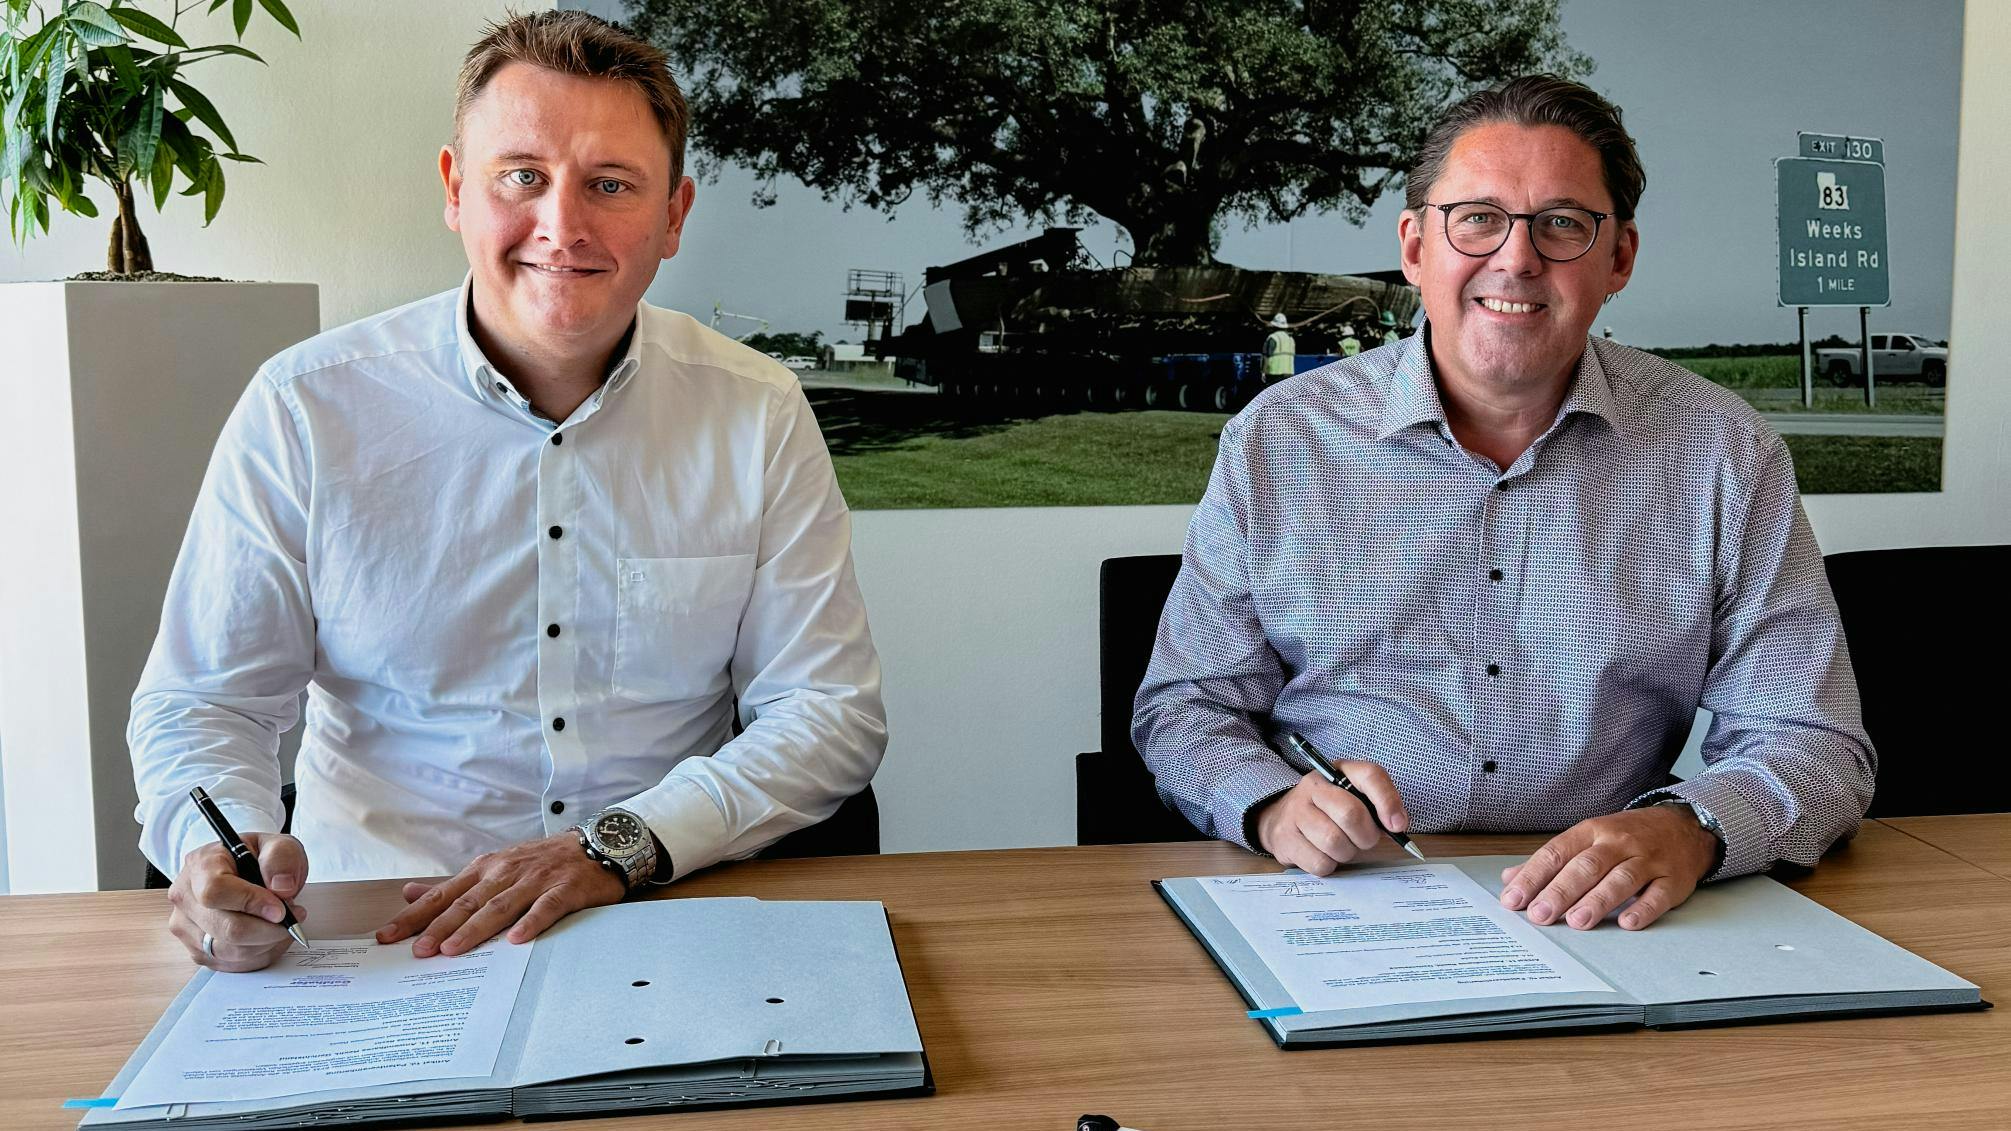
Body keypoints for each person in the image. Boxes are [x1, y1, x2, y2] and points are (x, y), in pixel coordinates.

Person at [129, 11, 886, 973]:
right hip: (367, 937)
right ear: (456, 189)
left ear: (674, 216)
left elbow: (827, 710)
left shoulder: (758, 411)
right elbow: (206, 700)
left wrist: (614, 849)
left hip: (662, 916)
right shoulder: (305, 407)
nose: (561, 226)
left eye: (610, 185)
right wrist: (218, 852)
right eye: (521, 176)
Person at [1134, 74, 1871, 934]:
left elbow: (1814, 743)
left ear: (1618, 259)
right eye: (1477, 217)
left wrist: (1690, 828)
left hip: (1608, 915)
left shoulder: (1724, 454)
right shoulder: (1278, 441)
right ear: (1415, 248)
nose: (1516, 259)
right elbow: (1186, 708)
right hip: (1336, 904)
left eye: (1562, 223)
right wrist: (1266, 804)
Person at [1262, 312, 1296, 382]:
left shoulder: (1273, 338)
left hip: (1274, 374)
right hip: (1289, 373)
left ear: (1274, 326)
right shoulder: (1291, 339)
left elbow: (1266, 356)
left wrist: (1263, 372)